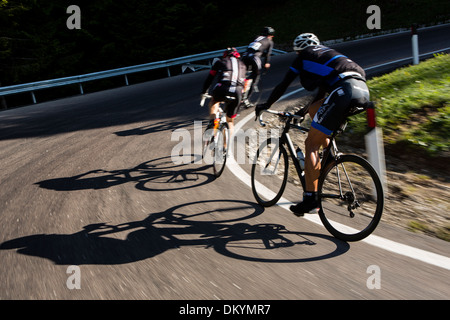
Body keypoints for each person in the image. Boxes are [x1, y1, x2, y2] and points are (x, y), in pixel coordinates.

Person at [255, 33, 370, 216]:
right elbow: (320, 98)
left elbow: (283, 85)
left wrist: (265, 105)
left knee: (310, 144)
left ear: (298, 51)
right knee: (315, 110)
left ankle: (311, 199)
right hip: (362, 91)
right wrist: (300, 113)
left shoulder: (304, 56)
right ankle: (330, 155)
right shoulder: (327, 56)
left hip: (344, 90)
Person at [201, 47, 247, 138]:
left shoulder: (220, 62)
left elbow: (210, 78)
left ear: (225, 55)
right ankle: (226, 149)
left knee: (214, 102)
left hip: (222, 88)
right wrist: (243, 97)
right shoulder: (243, 65)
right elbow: (245, 84)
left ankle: (212, 122)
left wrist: (204, 92)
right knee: (229, 121)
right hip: (237, 91)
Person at [241, 26, 275, 108]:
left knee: (243, 76)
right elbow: (267, 54)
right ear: (271, 35)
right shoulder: (270, 41)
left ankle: (241, 88)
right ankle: (245, 99)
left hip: (245, 56)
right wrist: (266, 63)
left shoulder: (256, 37)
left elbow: (253, 48)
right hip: (255, 58)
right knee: (255, 78)